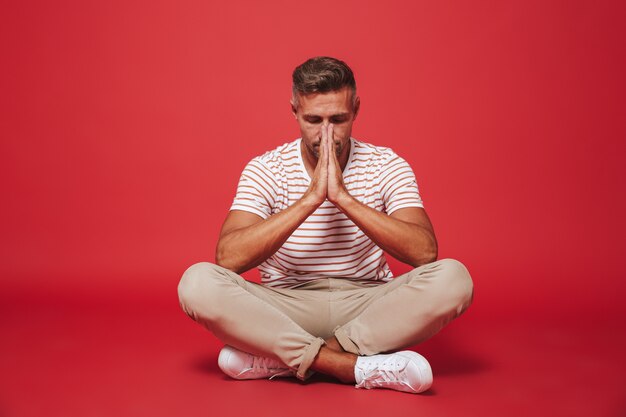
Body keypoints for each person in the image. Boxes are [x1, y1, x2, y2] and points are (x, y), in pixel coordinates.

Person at [177, 56, 474, 394]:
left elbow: (425, 252)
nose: (326, 133)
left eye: (338, 119)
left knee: (454, 278)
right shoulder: (266, 169)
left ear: (357, 109)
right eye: (313, 119)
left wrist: (344, 198)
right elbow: (228, 258)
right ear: (294, 110)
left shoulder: (387, 165)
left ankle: (287, 360)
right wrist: (310, 200)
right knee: (197, 283)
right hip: (287, 305)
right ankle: (349, 366)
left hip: (368, 306)